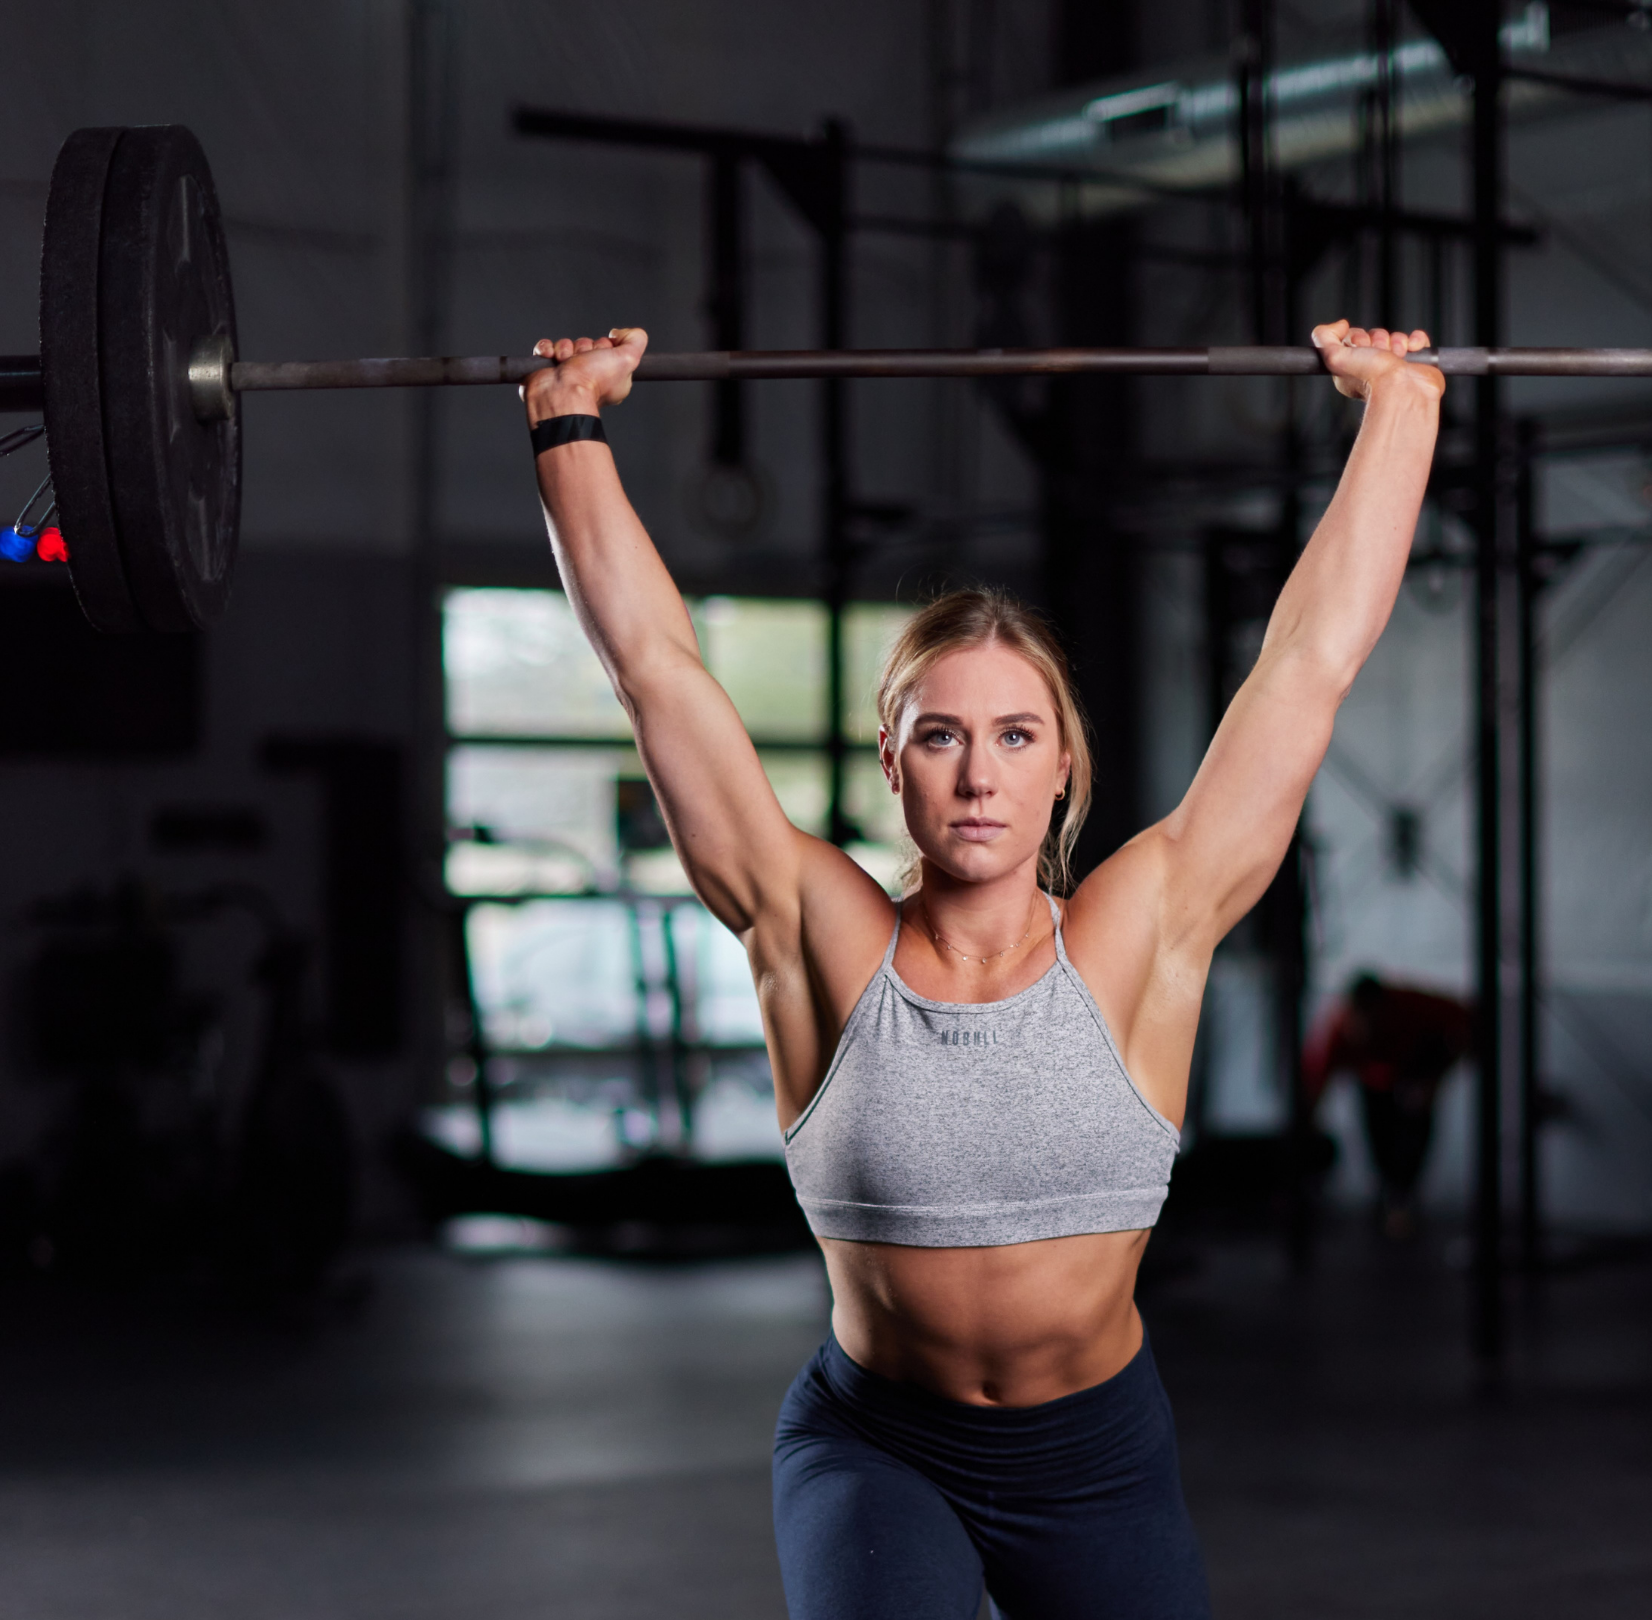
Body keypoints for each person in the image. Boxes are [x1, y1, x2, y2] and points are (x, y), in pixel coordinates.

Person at [522, 319, 1443, 1620]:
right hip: (877, 1447)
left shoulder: (1144, 928)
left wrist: (1399, 410)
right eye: (940, 736)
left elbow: (1310, 666)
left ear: (1062, 762)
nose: (978, 773)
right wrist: (569, 429)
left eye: (1015, 735)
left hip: (1097, 1464)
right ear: (891, 762)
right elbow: (653, 673)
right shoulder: (817, 931)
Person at [1299, 972, 1474, 1240]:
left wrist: (1435, 1078)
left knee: (1415, 1129)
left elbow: (1465, 1022)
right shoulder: (1339, 1029)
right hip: (1376, 1083)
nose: (1367, 1026)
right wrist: (1307, 1130)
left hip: (1416, 1069)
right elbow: (1317, 1082)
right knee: (1379, 1134)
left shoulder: (1412, 1006)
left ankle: (1402, 1196)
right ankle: (1389, 1194)